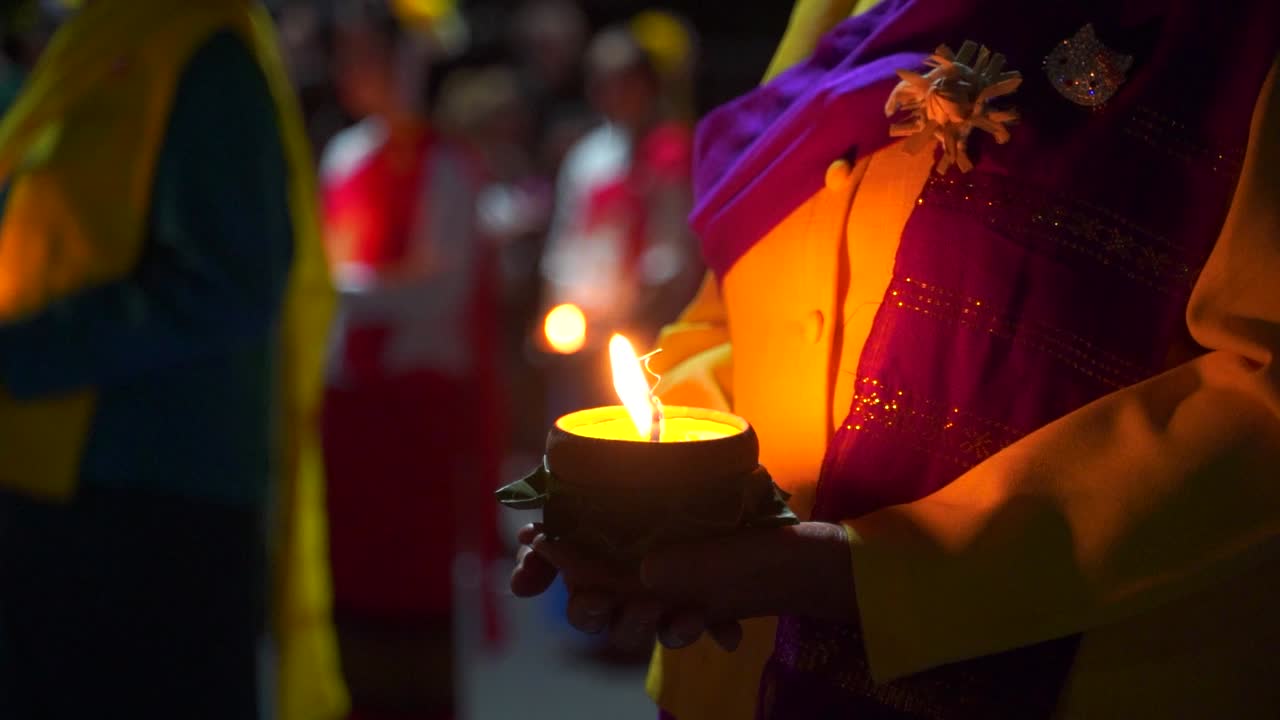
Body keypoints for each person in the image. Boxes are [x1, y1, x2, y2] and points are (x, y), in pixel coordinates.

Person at [512, 0, 1280, 718]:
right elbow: (729, 294)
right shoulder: (846, 10)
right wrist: (653, 506)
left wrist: (870, 574)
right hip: (736, 671)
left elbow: (1261, 391)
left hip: (1083, 669)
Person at [0, 1, 344, 719]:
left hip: (148, 505)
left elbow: (231, 284)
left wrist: (22, 354)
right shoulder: (101, 40)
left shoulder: (199, 51)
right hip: (56, 484)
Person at [318, 2, 501, 718]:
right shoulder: (345, 156)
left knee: (416, 571)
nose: (351, 71)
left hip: (419, 402)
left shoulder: (446, 167)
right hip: (353, 398)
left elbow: (440, 290)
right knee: (355, 568)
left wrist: (344, 292)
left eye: (367, 55)